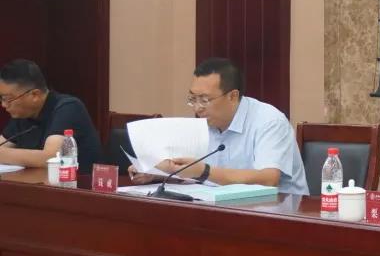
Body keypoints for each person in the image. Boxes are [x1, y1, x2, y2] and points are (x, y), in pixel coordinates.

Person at [129, 57, 308, 195]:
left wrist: (205, 171)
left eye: (205, 100)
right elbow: (193, 175)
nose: (197, 108)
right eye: (193, 99)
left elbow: (268, 179)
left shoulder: (269, 122)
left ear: (232, 96)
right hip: (221, 208)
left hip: (278, 213)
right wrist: (156, 173)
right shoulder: (205, 123)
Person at [0, 59, 103, 173]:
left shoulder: (68, 107)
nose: (4, 105)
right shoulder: (23, 113)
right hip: (38, 181)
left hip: (77, 182)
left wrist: (3, 154)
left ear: (35, 95)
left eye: (8, 99)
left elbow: (51, 158)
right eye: (2, 98)